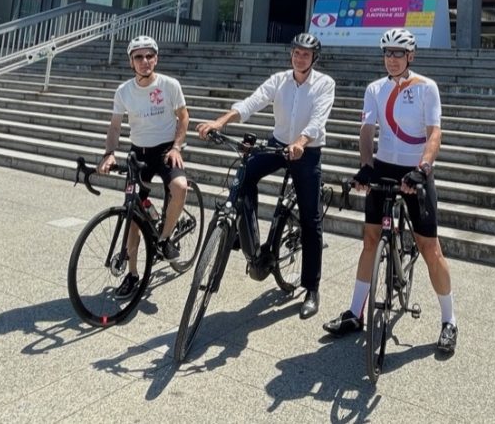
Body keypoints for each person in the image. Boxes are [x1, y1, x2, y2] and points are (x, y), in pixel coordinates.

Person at [323, 28, 458, 356]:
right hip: (384, 167)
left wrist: (423, 167)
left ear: (410, 56)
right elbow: (367, 130)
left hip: (416, 170)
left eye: (399, 53)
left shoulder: (427, 87)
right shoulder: (374, 89)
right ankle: (355, 313)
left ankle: (449, 320)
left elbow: (434, 133)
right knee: (370, 240)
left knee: (430, 248)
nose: (392, 59)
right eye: (387, 54)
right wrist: (366, 165)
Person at [197, 32, 335, 320]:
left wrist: (301, 141)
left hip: (306, 150)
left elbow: (318, 119)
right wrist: (219, 122)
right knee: (245, 173)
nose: (300, 58)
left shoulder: (324, 84)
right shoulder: (280, 80)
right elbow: (252, 102)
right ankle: (242, 231)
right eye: (296, 53)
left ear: (314, 59)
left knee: (310, 219)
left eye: (306, 54)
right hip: (277, 143)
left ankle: (311, 288)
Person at [97, 35, 190, 300]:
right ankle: (133, 274)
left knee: (180, 187)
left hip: (165, 150)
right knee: (133, 215)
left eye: (149, 56)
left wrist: (177, 146)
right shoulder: (124, 91)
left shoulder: (170, 85)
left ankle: (165, 238)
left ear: (156, 58)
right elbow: (115, 126)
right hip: (138, 153)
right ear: (131, 62)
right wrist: (109, 154)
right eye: (139, 57)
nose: (145, 61)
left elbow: (183, 116)